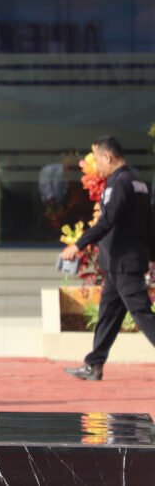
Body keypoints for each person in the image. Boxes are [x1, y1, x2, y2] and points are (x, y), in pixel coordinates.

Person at [61, 136, 155, 381]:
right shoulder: (139, 181)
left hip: (124, 262)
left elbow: (107, 221)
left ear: (108, 156)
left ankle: (94, 364)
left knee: (142, 314)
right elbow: (150, 223)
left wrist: (78, 245)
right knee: (108, 314)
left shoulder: (119, 182)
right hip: (119, 262)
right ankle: (94, 364)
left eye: (97, 161)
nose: (97, 168)